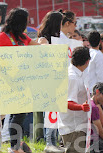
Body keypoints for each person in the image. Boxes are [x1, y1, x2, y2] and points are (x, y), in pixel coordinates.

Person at [0, 8, 39, 153]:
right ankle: (14, 147)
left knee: (18, 114)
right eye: (26, 20)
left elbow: (37, 48)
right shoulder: (1, 38)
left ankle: (16, 145)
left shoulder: (22, 37)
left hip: (22, 83)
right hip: (7, 83)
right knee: (17, 115)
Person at [37, 11, 64, 153]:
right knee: (50, 112)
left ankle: (54, 141)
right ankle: (49, 142)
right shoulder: (44, 39)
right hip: (47, 80)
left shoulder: (57, 39)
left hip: (57, 79)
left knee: (56, 111)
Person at [58, 46, 91, 153]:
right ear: (87, 61)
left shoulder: (77, 74)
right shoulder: (72, 77)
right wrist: (81, 107)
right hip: (73, 127)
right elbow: (67, 102)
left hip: (78, 124)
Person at [90, 82, 103, 153]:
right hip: (96, 144)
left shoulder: (94, 105)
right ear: (97, 92)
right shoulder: (94, 107)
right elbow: (99, 131)